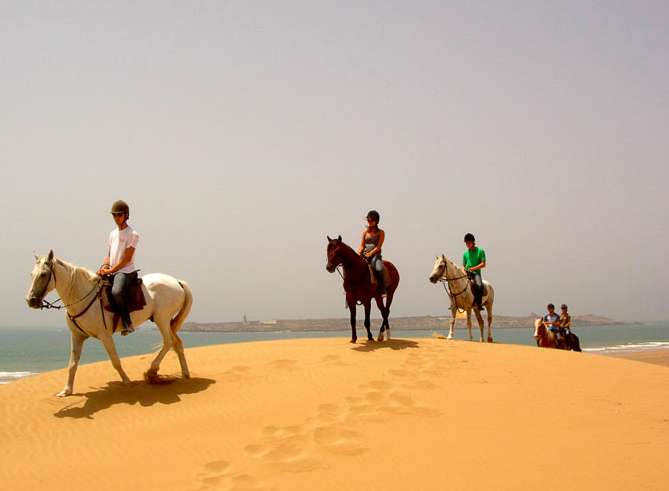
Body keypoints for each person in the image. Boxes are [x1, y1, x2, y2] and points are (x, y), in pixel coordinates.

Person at [96, 200, 140, 336]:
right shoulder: (112, 234)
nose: (116, 218)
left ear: (126, 215)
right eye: (114, 215)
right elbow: (109, 255)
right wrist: (104, 267)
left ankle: (127, 323)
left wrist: (111, 271)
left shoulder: (133, 234)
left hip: (125, 271)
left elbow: (126, 259)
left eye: (119, 215)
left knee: (116, 292)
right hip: (113, 270)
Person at [358, 210, 386, 294]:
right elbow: (362, 245)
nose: (369, 222)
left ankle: (381, 288)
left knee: (379, 268)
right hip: (365, 254)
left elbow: (378, 247)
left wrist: (370, 254)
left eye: (371, 220)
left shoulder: (381, 233)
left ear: (376, 221)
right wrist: (359, 252)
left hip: (375, 255)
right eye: (368, 220)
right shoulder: (365, 233)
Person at [462, 233, 486, 309]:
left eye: (469, 243)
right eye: (466, 243)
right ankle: (455, 302)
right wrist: (464, 270)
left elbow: (483, 264)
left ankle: (478, 304)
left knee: (479, 285)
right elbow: (464, 265)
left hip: (476, 273)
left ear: (473, 242)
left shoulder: (480, 251)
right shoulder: (465, 254)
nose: (467, 244)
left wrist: (473, 268)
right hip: (466, 273)